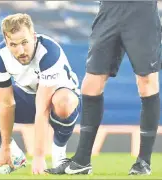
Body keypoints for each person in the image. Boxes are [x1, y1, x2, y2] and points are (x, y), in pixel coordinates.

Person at [45, 1, 161, 175]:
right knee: (91, 84)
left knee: (147, 83)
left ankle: (143, 162)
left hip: (142, 11)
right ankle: (82, 161)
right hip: (108, 10)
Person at [0, 13, 80, 174]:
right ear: (6, 41)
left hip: (58, 99)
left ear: (33, 36)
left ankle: (59, 153)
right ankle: (14, 154)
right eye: (13, 45)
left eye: (25, 42)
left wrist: (39, 158)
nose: (20, 51)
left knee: (63, 102)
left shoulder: (49, 52)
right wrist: (5, 147)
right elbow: (7, 103)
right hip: (27, 97)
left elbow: (42, 109)